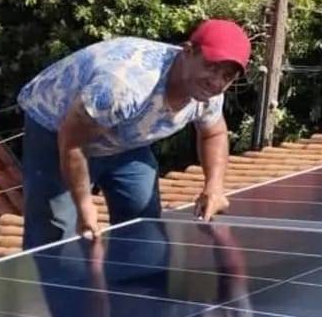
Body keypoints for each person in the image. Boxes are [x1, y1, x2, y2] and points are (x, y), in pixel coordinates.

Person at [18, 19, 250, 250]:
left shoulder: (209, 94)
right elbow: (72, 143)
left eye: (227, 76)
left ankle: (138, 285)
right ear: (188, 51)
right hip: (56, 130)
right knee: (57, 234)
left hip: (126, 140)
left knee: (143, 226)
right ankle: (59, 283)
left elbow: (214, 133)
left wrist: (214, 187)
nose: (217, 81)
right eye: (211, 66)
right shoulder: (124, 87)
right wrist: (84, 204)